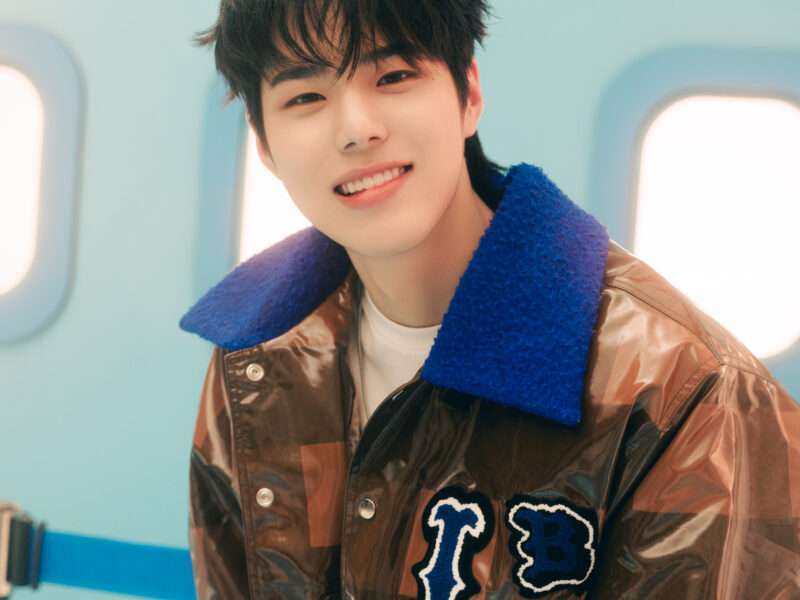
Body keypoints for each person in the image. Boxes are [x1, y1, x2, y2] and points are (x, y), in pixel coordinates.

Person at [179, 1, 800, 597]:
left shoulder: (682, 390)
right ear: (265, 144)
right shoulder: (256, 360)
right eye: (305, 98)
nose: (357, 130)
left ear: (469, 94)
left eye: (393, 76)